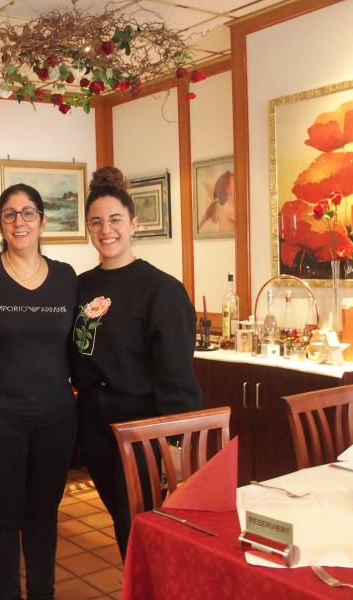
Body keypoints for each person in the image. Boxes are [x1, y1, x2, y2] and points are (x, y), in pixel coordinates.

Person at [71, 166, 202, 559]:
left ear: (134, 224)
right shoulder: (80, 285)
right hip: (94, 422)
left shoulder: (161, 290)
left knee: (139, 524)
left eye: (114, 220)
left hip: (143, 424)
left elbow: (176, 372)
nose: (105, 229)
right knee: (120, 518)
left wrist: (175, 442)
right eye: (96, 222)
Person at [0, 183, 78, 600]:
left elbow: (75, 346)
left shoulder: (66, 278)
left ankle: (42, 594)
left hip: (55, 416)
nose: (19, 221)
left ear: (43, 221)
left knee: (43, 515)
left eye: (28, 213)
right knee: (2, 518)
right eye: (10, 214)